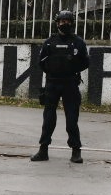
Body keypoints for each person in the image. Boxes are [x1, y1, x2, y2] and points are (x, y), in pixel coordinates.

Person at [30, 10, 91, 163]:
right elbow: (41, 62)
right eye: (62, 21)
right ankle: (43, 150)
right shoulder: (50, 42)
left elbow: (85, 62)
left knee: (72, 119)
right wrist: (54, 71)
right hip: (52, 83)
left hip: (70, 84)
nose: (65, 24)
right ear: (57, 23)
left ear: (72, 23)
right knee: (48, 119)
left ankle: (76, 151)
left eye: (68, 21)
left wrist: (70, 69)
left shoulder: (78, 42)